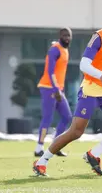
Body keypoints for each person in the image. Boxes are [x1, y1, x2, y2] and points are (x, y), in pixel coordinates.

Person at [33, 4, 102, 176]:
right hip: (91, 90)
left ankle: (94, 154)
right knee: (76, 131)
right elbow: (84, 64)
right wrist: (100, 74)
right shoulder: (98, 37)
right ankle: (41, 161)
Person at [34, 28, 73, 157]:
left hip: (58, 89)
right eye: (64, 35)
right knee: (47, 118)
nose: (67, 37)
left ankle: (55, 146)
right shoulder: (54, 50)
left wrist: (60, 89)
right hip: (48, 88)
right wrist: (56, 89)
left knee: (67, 117)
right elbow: (50, 72)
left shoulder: (65, 50)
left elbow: (60, 72)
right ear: (59, 36)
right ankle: (39, 148)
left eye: (69, 35)